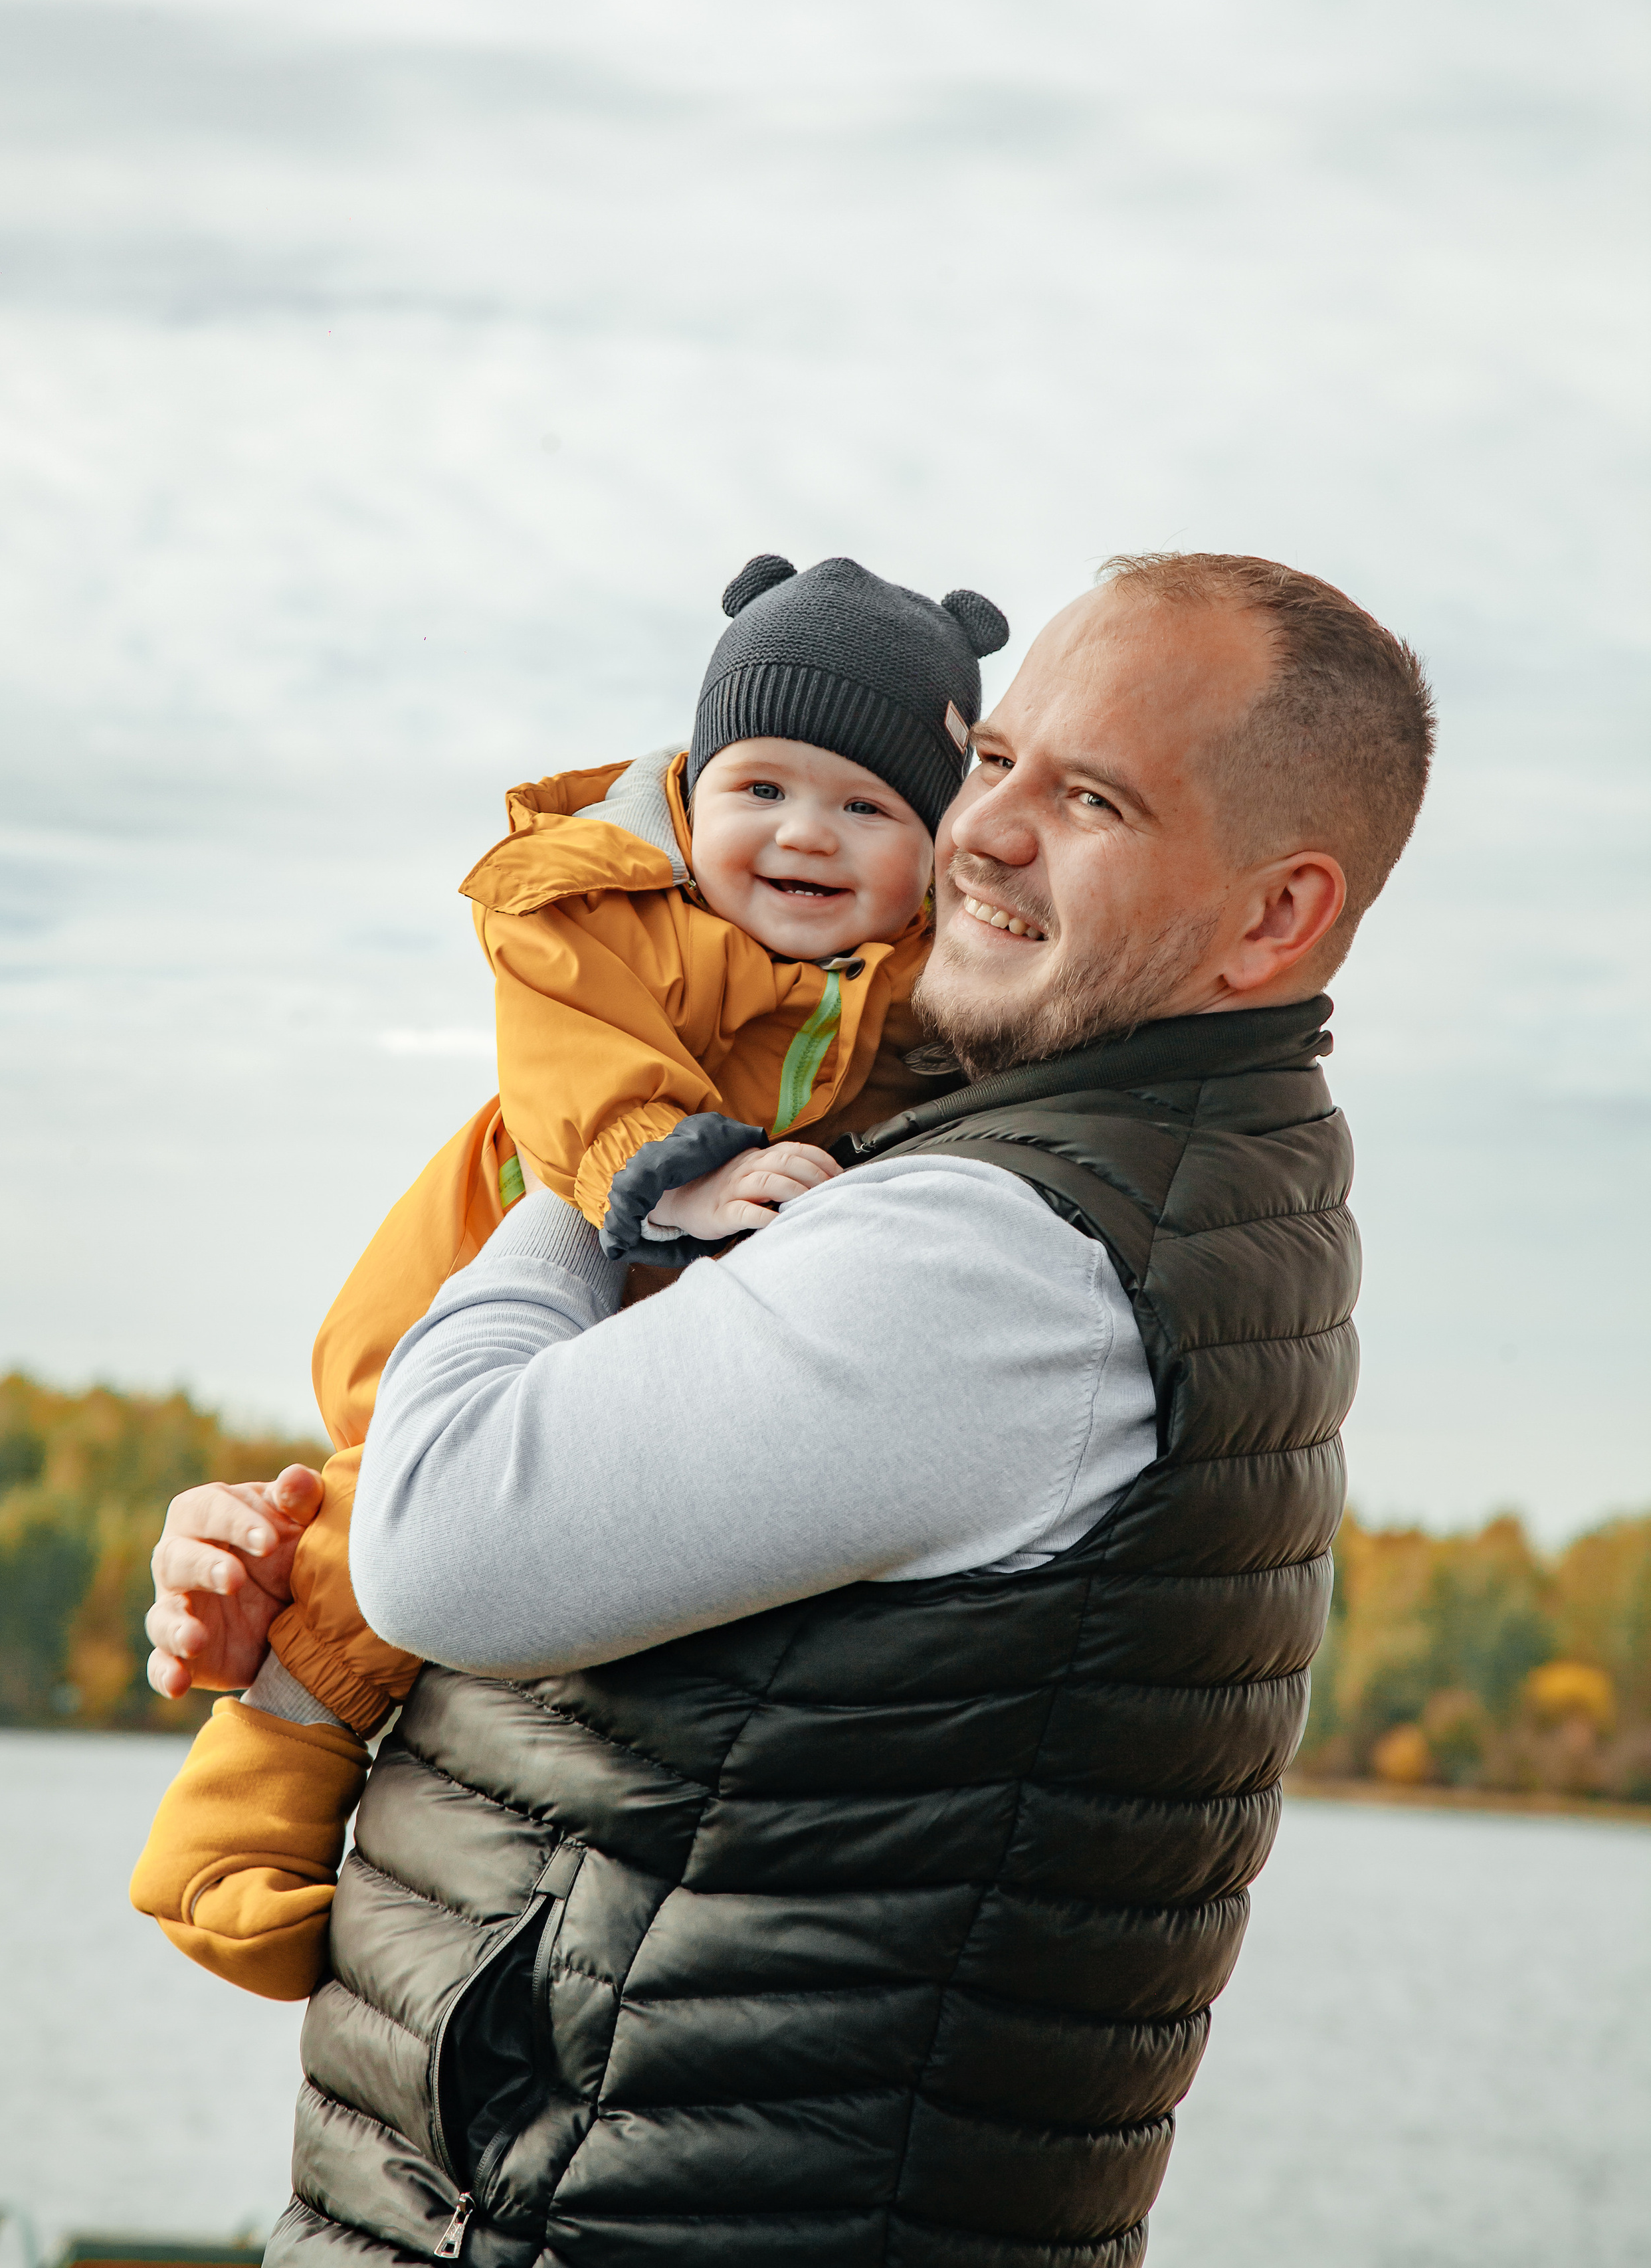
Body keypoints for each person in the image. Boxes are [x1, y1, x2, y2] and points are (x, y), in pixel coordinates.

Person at [145, 551, 1434, 2267]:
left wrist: (601, 1141)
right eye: (992, 763)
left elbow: (445, 1539)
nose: (980, 833)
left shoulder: (1010, 1259)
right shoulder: (1090, 1172)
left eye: (1095, 798)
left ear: (1276, 917)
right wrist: (295, 1540)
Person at [130, 553, 1009, 1998]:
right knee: (364, 1548)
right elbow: (571, 1069)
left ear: (934, 841)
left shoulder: (921, 982)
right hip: (502, 1259)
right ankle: (223, 1841)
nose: (806, 835)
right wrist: (681, 1168)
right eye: (762, 789)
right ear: (688, 791)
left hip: (653, 1332)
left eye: (867, 806)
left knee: (445, 1547)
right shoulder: (611, 913)